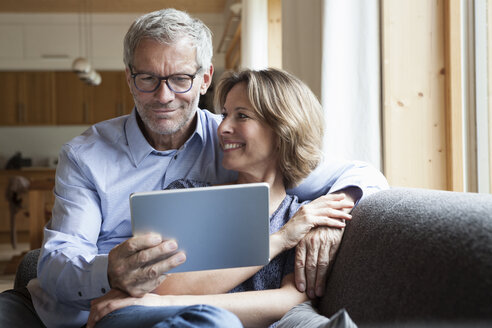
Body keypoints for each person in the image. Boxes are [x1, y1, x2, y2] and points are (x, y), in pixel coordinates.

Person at [0, 8, 388, 328]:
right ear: (130, 81)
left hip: (155, 311)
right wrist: (109, 272)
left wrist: (331, 215)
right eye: (148, 79)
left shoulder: (234, 144)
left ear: (204, 79)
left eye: (180, 79)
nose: (163, 96)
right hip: (65, 309)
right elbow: (58, 260)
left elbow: (362, 176)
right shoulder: (87, 155)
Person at [87, 67, 356, 328]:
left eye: (242, 116)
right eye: (225, 114)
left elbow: (290, 300)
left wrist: (163, 302)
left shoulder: (302, 219)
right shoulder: (186, 195)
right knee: (215, 321)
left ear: (282, 130)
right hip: (153, 319)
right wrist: (277, 241)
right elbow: (157, 283)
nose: (223, 127)